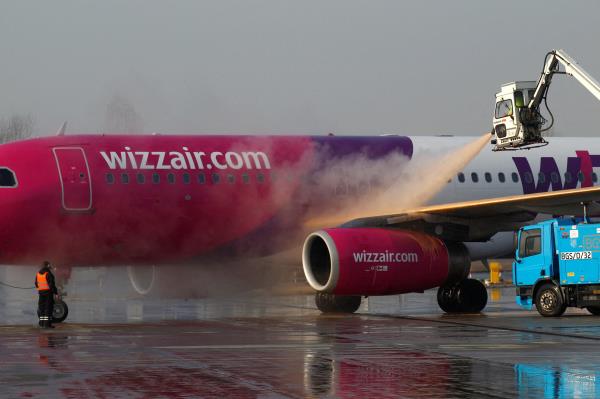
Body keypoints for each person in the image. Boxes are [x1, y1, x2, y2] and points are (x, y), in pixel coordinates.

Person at [35, 261, 58, 328]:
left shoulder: (38, 273)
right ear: (48, 265)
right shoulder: (49, 274)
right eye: (50, 265)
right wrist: (55, 293)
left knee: (41, 308)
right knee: (48, 308)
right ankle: (47, 325)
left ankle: (41, 323)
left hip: (41, 293)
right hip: (48, 294)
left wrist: (40, 289)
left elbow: (36, 283)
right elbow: (52, 285)